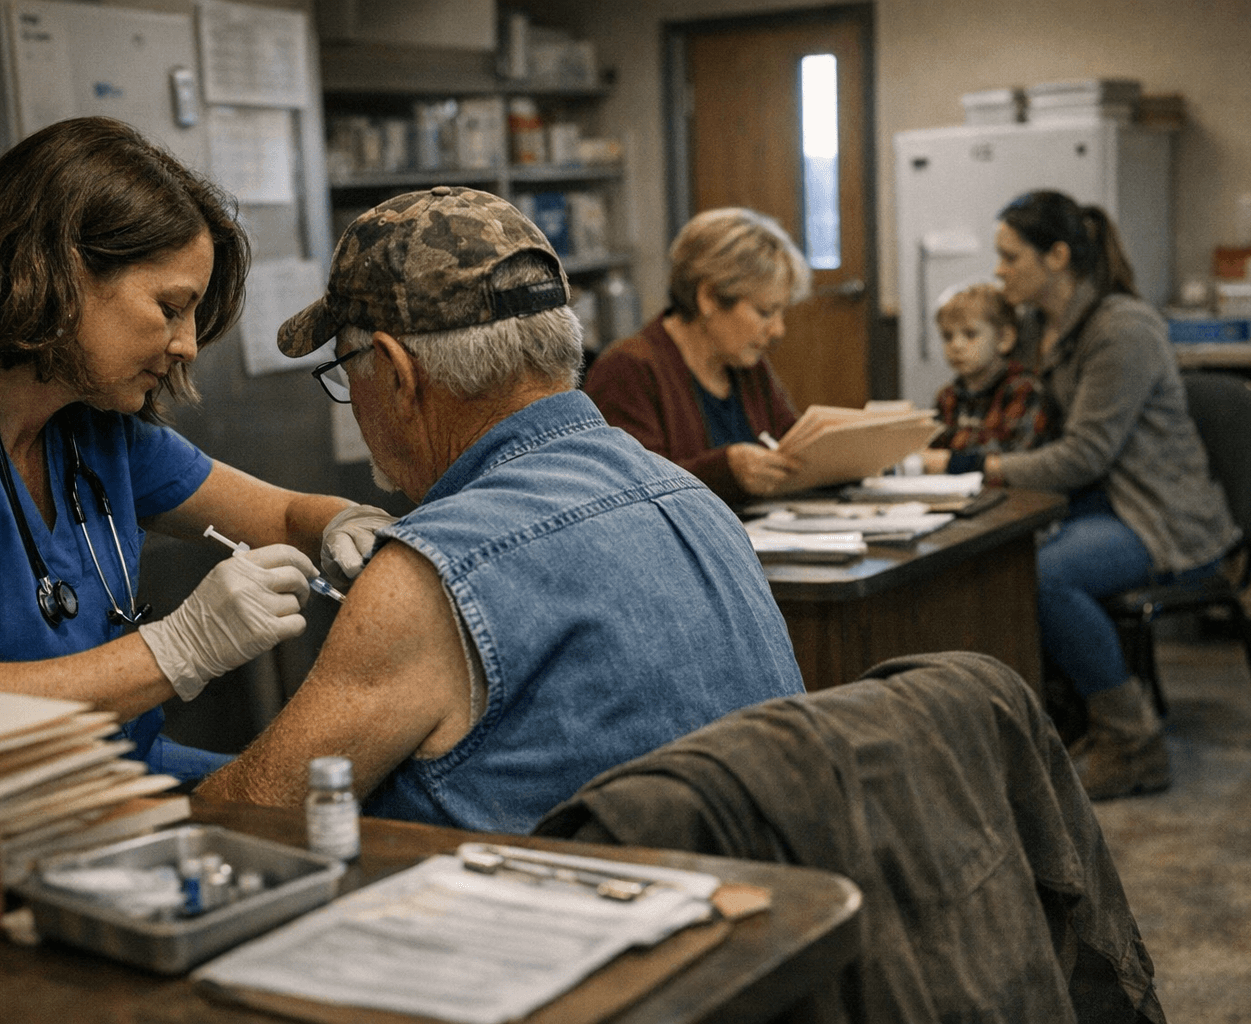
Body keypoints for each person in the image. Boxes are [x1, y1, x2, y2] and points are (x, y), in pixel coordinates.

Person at [195, 186, 805, 832]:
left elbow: (246, 819)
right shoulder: (697, 501)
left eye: (349, 370)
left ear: (399, 375)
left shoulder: (427, 576)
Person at [0, 117, 393, 782]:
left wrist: (346, 526)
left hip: (104, 780)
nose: (185, 346)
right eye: (170, 308)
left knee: (325, 804)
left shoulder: (85, 421)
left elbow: (287, 517)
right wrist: (178, 648)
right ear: (59, 273)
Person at [969, 190, 1238, 800]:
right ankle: (1056, 723)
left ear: (1057, 256)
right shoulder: (1042, 325)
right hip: (1102, 504)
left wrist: (978, 467)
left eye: (1010, 256)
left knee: (1041, 576)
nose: (999, 269)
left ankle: (1132, 743)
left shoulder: (1123, 328)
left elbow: (1085, 454)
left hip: (1161, 516)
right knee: (990, 554)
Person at [583, 207, 811, 504]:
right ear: (708, 298)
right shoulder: (629, 368)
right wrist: (725, 471)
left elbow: (791, 443)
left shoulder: (746, 364)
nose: (778, 330)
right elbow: (630, 488)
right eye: (765, 312)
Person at [918, 282, 1054, 474]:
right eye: (947, 336)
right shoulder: (947, 396)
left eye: (970, 334)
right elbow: (931, 449)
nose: (956, 345)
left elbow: (1016, 454)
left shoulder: (1023, 389)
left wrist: (951, 457)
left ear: (1003, 339)